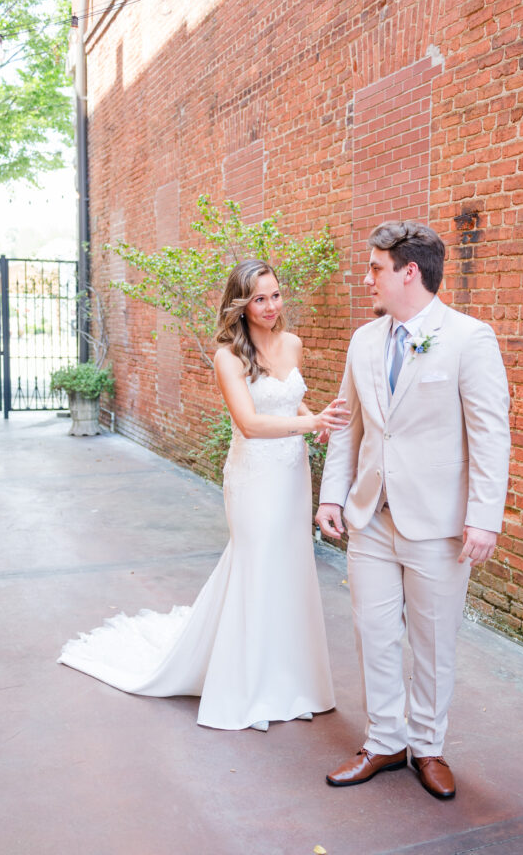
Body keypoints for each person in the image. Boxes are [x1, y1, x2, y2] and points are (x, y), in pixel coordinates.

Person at [59, 258, 348, 731]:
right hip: (255, 476)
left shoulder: (292, 344)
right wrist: (309, 423)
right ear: (241, 304)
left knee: (291, 567)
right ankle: (248, 686)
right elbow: (251, 424)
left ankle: (294, 680)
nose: (271, 305)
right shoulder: (227, 356)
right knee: (257, 566)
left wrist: (315, 419)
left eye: (276, 295)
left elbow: (285, 394)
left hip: (292, 473)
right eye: (259, 298)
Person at [316, 220, 510, 798]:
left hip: (440, 525)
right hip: (371, 517)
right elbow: (349, 427)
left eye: (375, 267)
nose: (367, 277)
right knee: (373, 634)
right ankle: (384, 740)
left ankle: (427, 745)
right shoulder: (363, 340)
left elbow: (490, 435)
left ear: (409, 272)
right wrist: (331, 495)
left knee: (432, 640)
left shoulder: (470, 339)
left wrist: (484, 516)